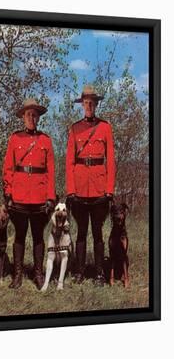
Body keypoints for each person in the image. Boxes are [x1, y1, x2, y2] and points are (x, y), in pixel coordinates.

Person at [3, 98, 55, 290]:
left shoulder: (46, 140)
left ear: (38, 118)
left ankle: (38, 274)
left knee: (38, 236)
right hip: (20, 195)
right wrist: (8, 193)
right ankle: (17, 276)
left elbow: (50, 170)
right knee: (19, 235)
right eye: (28, 115)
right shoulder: (14, 139)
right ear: (23, 117)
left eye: (35, 115)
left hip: (40, 196)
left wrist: (50, 197)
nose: (31, 118)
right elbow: (8, 168)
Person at [66, 85, 116, 286]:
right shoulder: (75, 128)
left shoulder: (105, 127)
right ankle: (79, 272)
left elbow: (110, 160)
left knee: (97, 232)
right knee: (81, 232)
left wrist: (109, 189)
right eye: (85, 103)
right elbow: (69, 161)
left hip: (98, 187)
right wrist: (70, 190)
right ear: (82, 105)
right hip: (79, 187)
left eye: (91, 103)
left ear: (96, 104)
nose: (89, 106)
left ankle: (99, 274)